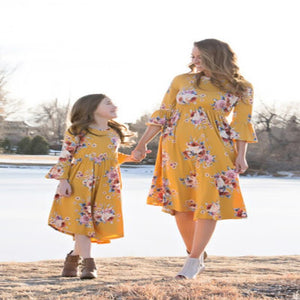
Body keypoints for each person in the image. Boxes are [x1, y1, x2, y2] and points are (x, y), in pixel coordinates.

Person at [132, 39, 257, 279]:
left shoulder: (241, 87)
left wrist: (241, 155)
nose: (193, 61)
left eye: (198, 56)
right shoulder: (182, 80)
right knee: (181, 205)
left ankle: (191, 262)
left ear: (214, 56)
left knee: (207, 203)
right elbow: (164, 113)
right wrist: (142, 143)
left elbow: (242, 123)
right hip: (176, 148)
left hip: (215, 150)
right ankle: (196, 253)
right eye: (192, 56)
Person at [46, 94, 137, 279]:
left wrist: (129, 158)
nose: (114, 105)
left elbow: (108, 158)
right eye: (108, 103)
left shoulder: (114, 133)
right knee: (82, 222)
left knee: (92, 223)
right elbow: (65, 156)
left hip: (106, 184)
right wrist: (63, 181)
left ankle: (72, 259)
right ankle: (88, 264)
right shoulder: (77, 131)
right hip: (80, 181)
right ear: (92, 108)